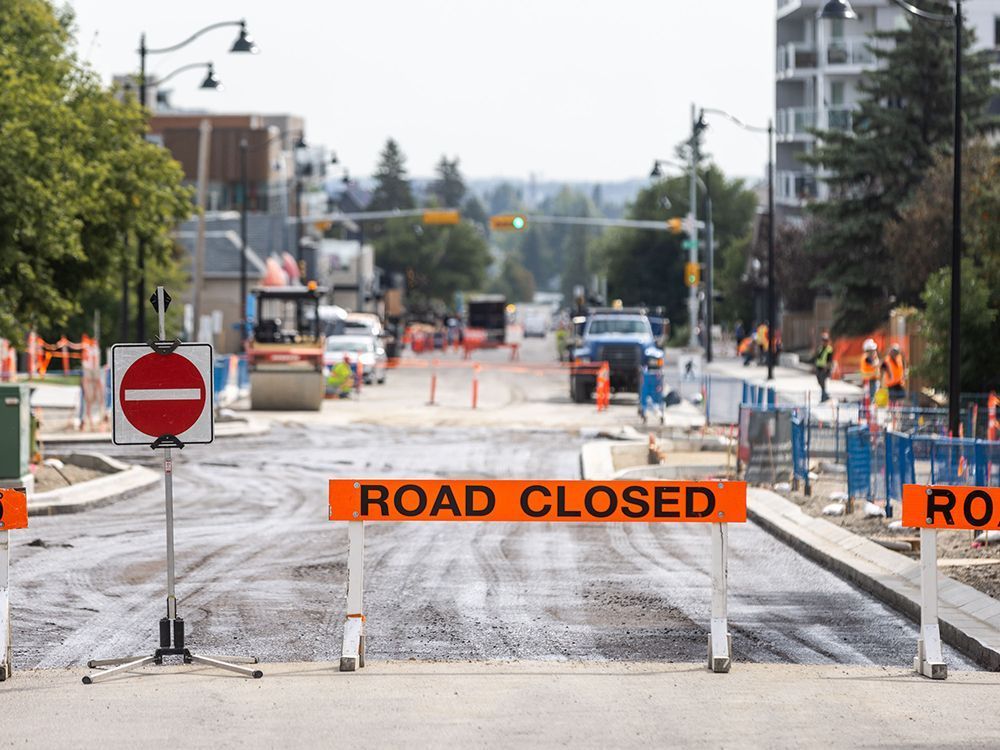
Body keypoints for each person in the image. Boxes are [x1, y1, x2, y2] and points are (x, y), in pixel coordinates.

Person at [813, 331, 834, 403]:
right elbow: (817, 358)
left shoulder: (829, 349)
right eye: (823, 340)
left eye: (825, 340)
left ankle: (824, 396)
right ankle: (825, 395)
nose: (824, 342)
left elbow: (830, 360)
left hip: (824, 369)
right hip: (819, 368)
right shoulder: (820, 348)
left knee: (822, 382)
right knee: (820, 382)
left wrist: (827, 368)